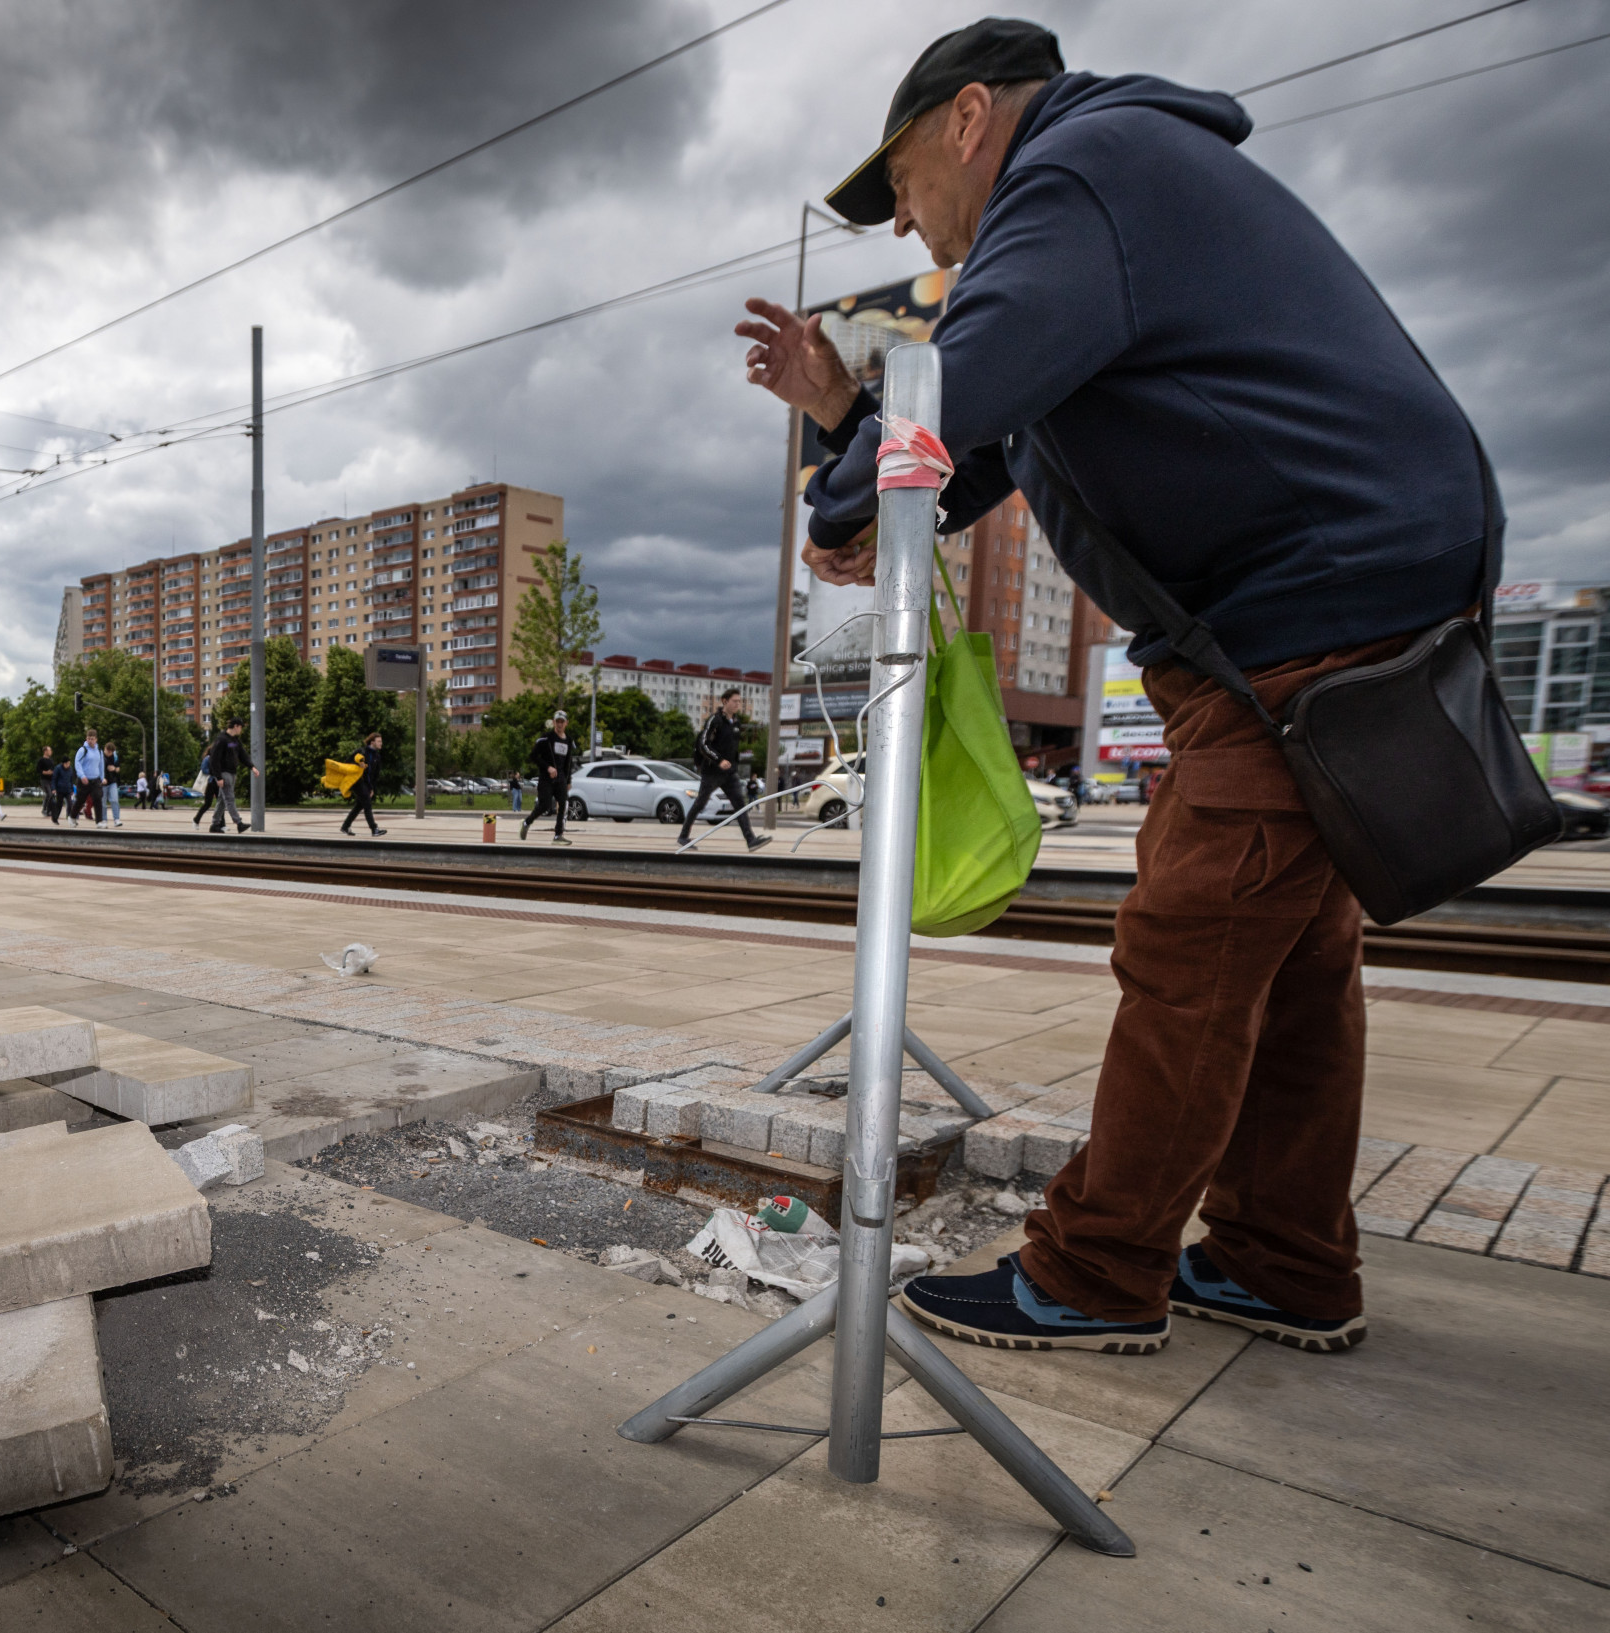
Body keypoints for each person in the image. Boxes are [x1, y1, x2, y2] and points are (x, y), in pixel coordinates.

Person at [740, 18, 1498, 1356]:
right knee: (1297, 960)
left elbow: (933, 424)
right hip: (1317, 602)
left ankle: (1093, 1273)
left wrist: (855, 473)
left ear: (969, 121)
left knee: (1192, 942)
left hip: (1304, 608)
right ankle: (1285, 1259)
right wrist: (835, 421)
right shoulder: (1099, 214)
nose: (910, 228)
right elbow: (962, 462)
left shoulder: (1079, 179)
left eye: (904, 183)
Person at [680, 690, 770, 852]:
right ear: (724, 701)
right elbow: (704, 745)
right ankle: (683, 836)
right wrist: (719, 760)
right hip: (712, 772)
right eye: (734, 701)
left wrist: (733, 764)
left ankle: (751, 840)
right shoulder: (715, 721)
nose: (738, 704)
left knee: (740, 805)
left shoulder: (735, 722)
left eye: (739, 701)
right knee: (700, 803)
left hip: (729, 774)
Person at [519, 713, 574, 844]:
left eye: (562, 722)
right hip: (546, 778)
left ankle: (558, 835)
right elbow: (533, 756)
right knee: (545, 805)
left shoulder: (569, 741)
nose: (560, 724)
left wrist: (568, 780)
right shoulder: (546, 738)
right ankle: (527, 822)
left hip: (560, 778)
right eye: (557, 722)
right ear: (554, 722)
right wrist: (548, 767)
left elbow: (568, 762)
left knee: (563, 803)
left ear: (566, 723)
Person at [205, 721, 252, 834]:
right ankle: (239, 823)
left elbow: (242, 755)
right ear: (235, 726)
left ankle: (215, 825)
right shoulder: (221, 740)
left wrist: (252, 767)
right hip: (223, 773)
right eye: (240, 727)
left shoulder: (235, 741)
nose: (241, 730)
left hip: (232, 773)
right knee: (230, 798)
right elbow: (214, 759)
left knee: (222, 800)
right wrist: (218, 777)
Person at [339, 731, 387, 838]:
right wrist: (357, 765)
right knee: (367, 804)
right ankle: (374, 829)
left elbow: (375, 775)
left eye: (381, 741)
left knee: (359, 805)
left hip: (366, 784)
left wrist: (372, 788)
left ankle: (345, 826)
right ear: (372, 742)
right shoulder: (361, 752)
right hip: (357, 782)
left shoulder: (377, 756)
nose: (381, 743)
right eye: (379, 741)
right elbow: (347, 764)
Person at [74, 730, 107, 826]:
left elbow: (101, 765)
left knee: (97, 798)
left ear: (96, 739)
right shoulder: (83, 750)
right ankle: (72, 817)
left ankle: (99, 821)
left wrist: (102, 778)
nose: (90, 741)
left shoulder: (99, 751)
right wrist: (82, 775)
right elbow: (77, 763)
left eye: (92, 739)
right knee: (80, 800)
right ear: (86, 739)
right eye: (88, 738)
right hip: (84, 779)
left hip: (95, 779)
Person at [103, 743, 123, 827]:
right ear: (105, 749)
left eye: (111, 752)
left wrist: (114, 768)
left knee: (114, 800)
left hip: (112, 782)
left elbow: (118, 769)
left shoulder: (115, 757)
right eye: (108, 751)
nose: (109, 753)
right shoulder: (100, 756)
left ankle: (116, 819)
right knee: (102, 802)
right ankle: (103, 820)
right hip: (102, 782)